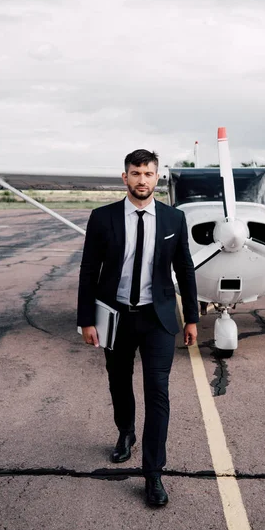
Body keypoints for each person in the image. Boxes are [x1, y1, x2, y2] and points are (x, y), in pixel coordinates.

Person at [77, 149, 198, 506]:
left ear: (156, 177)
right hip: (115, 317)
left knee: (158, 391)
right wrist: (86, 320)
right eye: (135, 173)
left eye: (148, 173)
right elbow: (88, 272)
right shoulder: (102, 218)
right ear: (124, 177)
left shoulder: (174, 219)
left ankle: (153, 473)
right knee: (118, 380)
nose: (142, 180)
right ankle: (125, 432)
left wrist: (191, 317)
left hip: (157, 317)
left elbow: (186, 270)